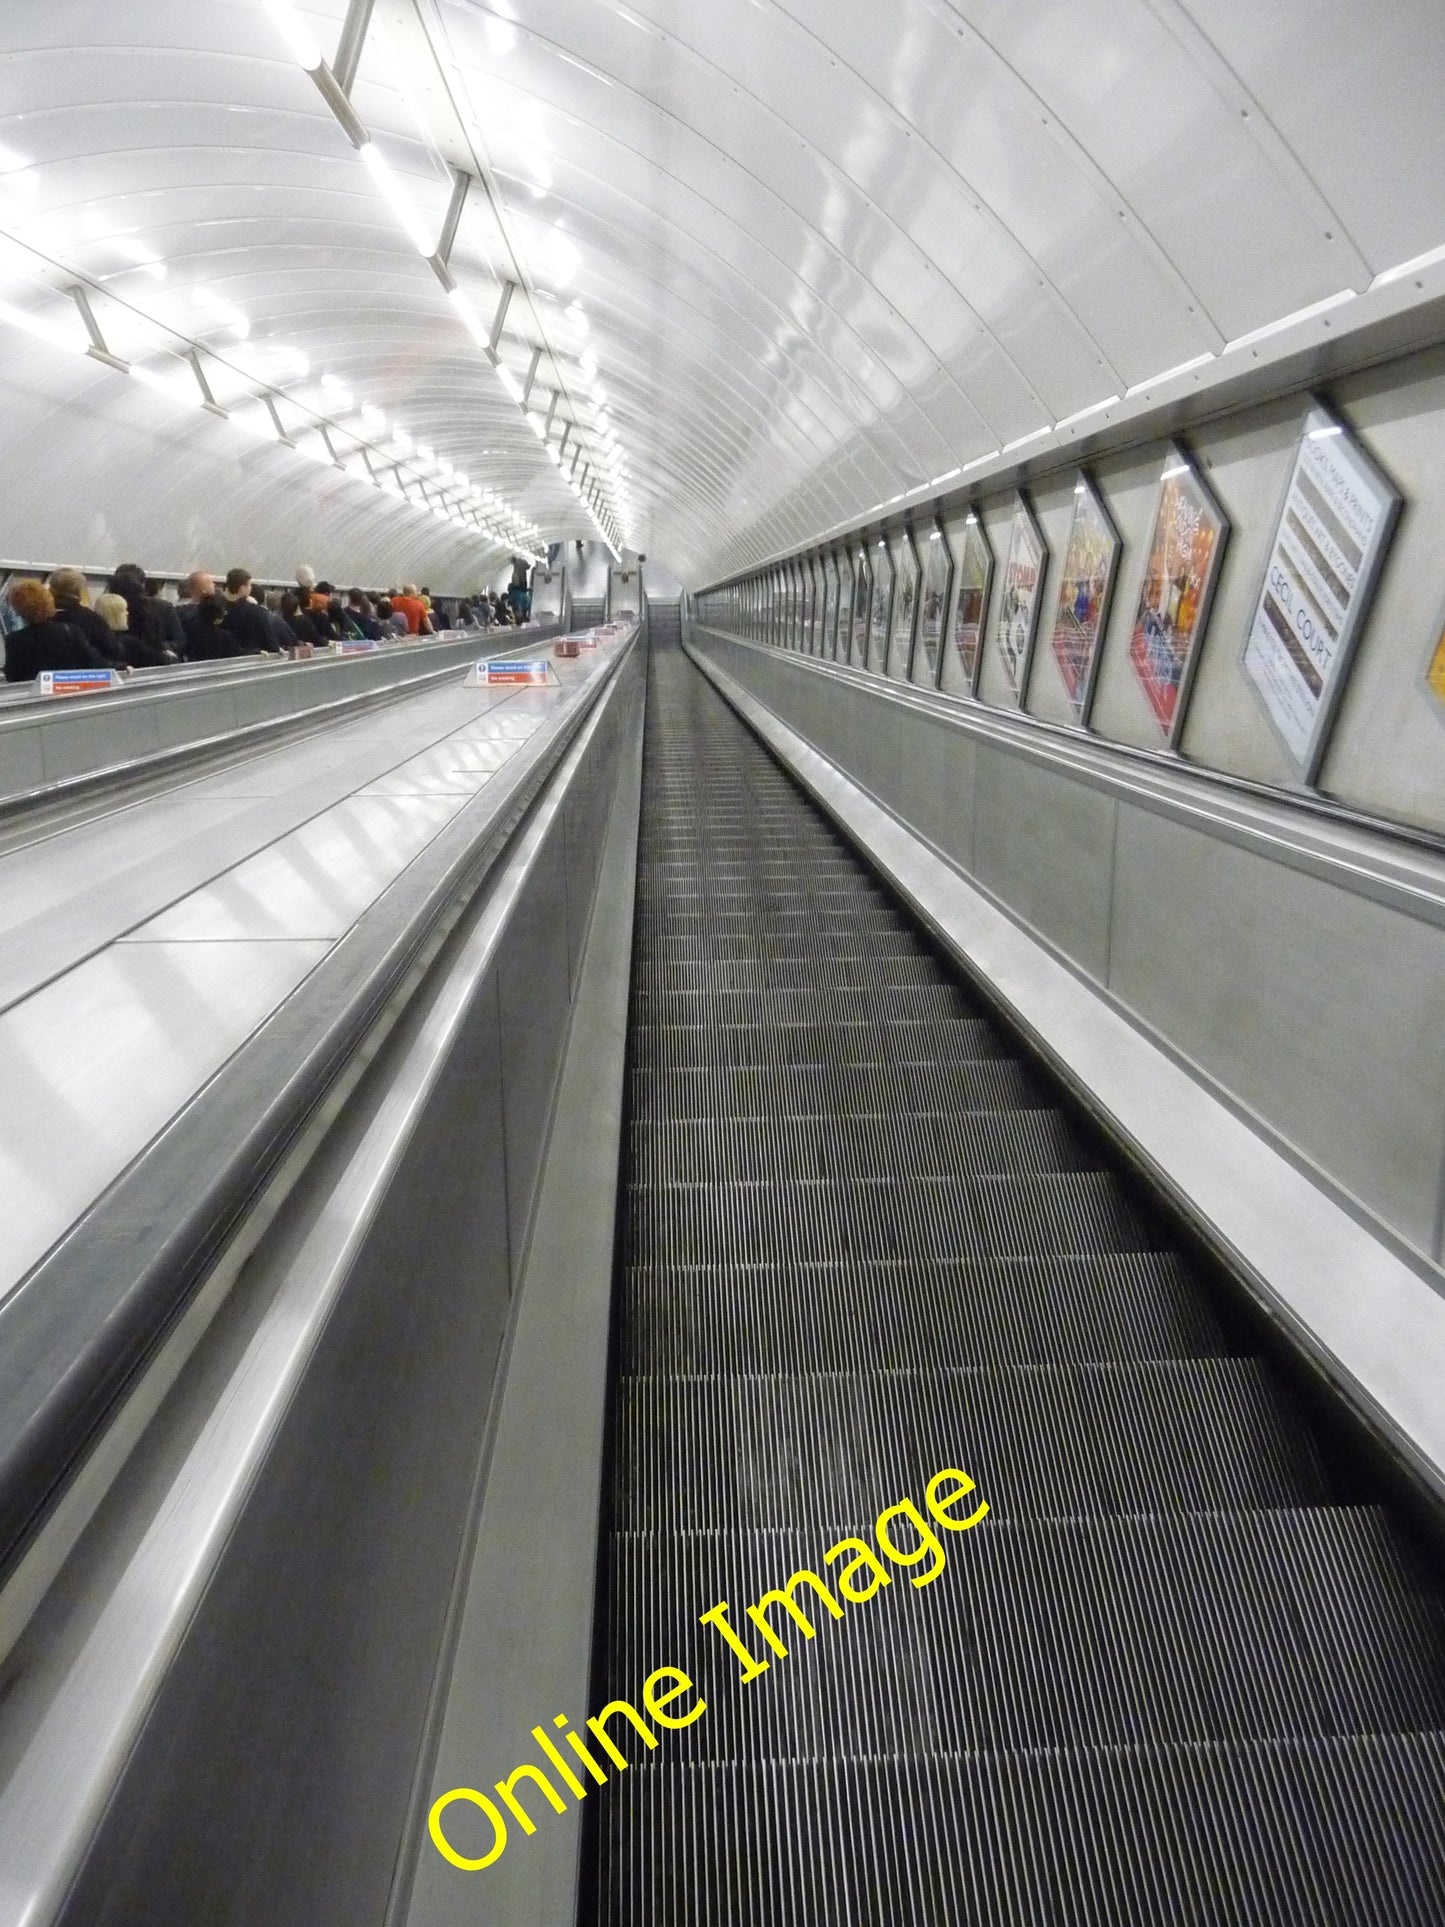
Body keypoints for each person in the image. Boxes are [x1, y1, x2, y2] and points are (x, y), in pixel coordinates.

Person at [2, 578, 117, 682]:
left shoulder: (14, 640)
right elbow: (94, 661)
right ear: (48, 601)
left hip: (34, 698)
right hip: (67, 693)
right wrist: (122, 666)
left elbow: (13, 676)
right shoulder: (70, 631)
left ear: (18, 610)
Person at [47, 568, 128, 667]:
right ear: (79, 590)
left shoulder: (42, 618)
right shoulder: (92, 619)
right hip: (87, 676)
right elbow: (113, 652)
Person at [219, 568, 275, 654]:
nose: (250, 588)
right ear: (242, 588)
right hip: (252, 659)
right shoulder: (255, 611)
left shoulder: (218, 608)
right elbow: (270, 642)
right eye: (249, 585)